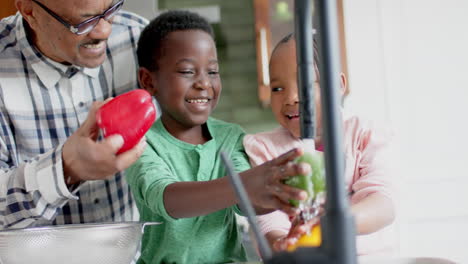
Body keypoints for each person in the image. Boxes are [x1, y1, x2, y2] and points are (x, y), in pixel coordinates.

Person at [126, 10, 311, 264]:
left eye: (212, 72)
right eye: (188, 71)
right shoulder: (142, 145)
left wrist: (282, 196)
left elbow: (246, 204)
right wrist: (245, 184)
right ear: (149, 81)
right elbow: (167, 199)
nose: (204, 83)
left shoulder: (230, 136)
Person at [243, 33, 398, 255]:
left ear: (339, 85)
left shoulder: (364, 135)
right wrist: (283, 245)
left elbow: (383, 202)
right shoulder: (265, 149)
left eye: (303, 83)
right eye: (278, 88)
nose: (290, 98)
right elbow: (267, 220)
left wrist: (331, 226)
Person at [0, 0, 149, 229]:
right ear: (29, 11)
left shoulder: (140, 38)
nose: (105, 30)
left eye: (111, 9)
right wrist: (66, 169)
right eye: (84, 21)